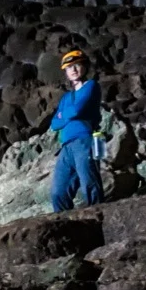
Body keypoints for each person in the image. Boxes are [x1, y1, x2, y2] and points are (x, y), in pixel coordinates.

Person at [49, 48, 103, 212]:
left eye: (77, 65)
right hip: (66, 146)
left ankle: (99, 215)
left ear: (84, 66)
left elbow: (76, 110)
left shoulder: (91, 86)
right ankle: (63, 222)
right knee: (58, 192)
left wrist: (64, 116)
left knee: (89, 184)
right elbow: (54, 124)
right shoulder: (66, 97)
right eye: (68, 68)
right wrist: (67, 115)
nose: (73, 70)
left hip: (84, 140)